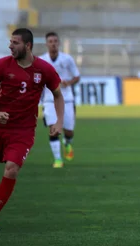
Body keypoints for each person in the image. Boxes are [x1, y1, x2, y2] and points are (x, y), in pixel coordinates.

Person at [0, 28, 63, 231]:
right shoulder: (2, 65)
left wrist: (59, 122)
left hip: (23, 131)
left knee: (12, 169)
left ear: (27, 46)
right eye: (10, 42)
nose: (10, 46)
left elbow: (58, 95)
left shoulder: (44, 70)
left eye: (15, 43)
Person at [40, 31, 81, 168]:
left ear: (59, 43)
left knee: (68, 130)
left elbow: (77, 76)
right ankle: (58, 159)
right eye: (50, 42)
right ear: (46, 44)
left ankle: (67, 142)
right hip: (49, 100)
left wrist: (67, 83)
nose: (53, 44)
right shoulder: (41, 61)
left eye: (55, 41)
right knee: (53, 128)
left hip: (67, 99)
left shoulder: (67, 59)